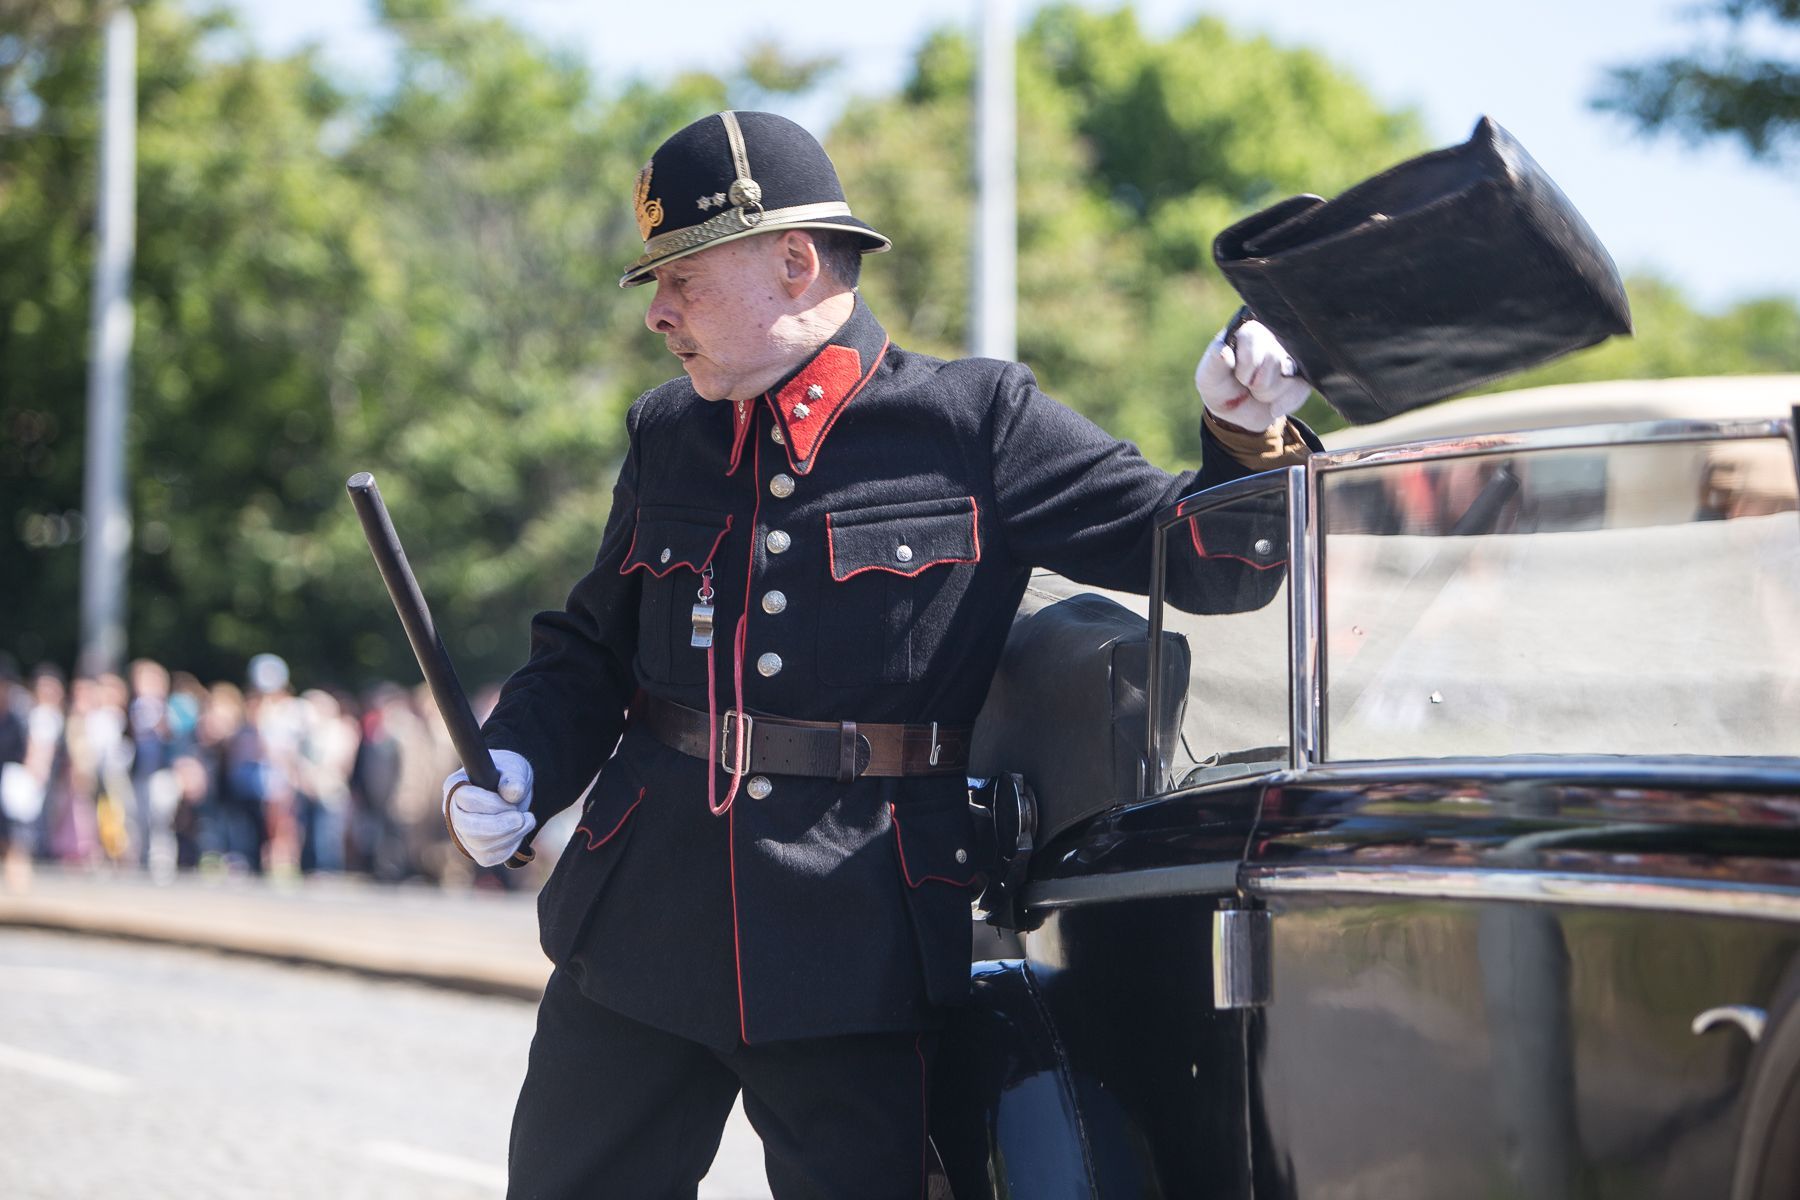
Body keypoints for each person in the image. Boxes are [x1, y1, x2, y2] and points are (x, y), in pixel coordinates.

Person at [442, 111, 1316, 1198]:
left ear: (794, 262)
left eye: (681, 279)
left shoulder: (975, 424)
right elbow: (586, 651)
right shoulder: (669, 430)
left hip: (851, 945)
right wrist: (518, 760)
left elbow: (1207, 563)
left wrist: (1246, 435)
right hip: (636, 928)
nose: (658, 311)